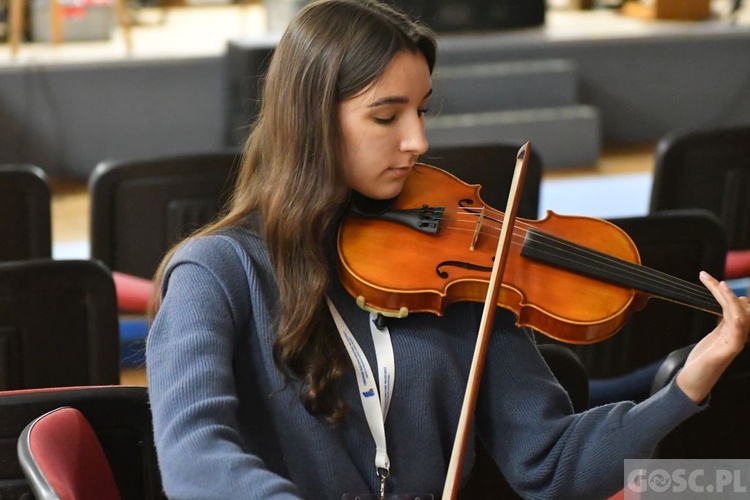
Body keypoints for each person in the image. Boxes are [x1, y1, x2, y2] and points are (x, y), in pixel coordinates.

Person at [145, 1, 750, 498]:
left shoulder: (456, 274)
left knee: (722, 489)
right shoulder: (216, 273)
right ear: (309, 121)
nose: (419, 140)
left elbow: (553, 463)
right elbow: (194, 457)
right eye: (387, 117)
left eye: (423, 110)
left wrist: (685, 387)